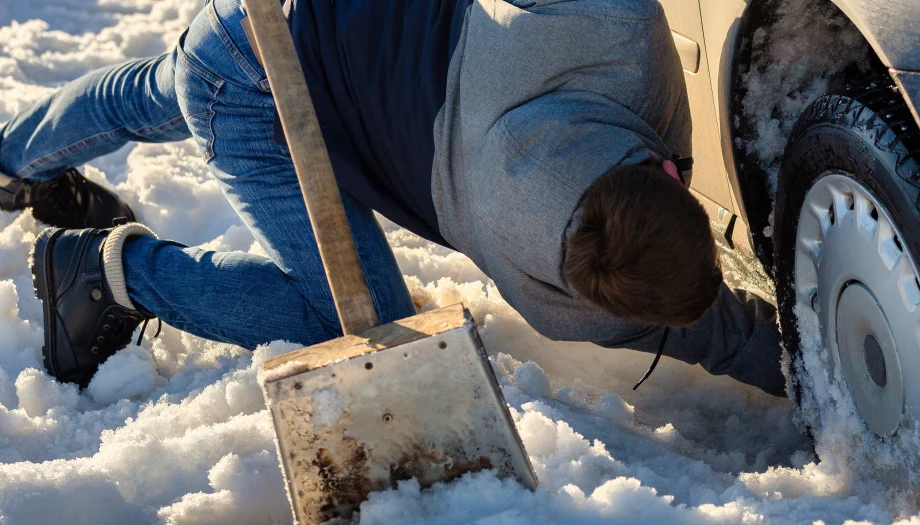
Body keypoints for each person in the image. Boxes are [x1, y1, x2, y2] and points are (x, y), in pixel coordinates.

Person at [9, 0, 786, 395]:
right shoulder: (576, 308)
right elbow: (727, 338)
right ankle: (109, 275)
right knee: (351, 318)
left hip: (279, 26)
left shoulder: (607, 30)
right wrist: (821, 380)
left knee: (170, 84)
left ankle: (14, 157)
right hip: (259, 78)